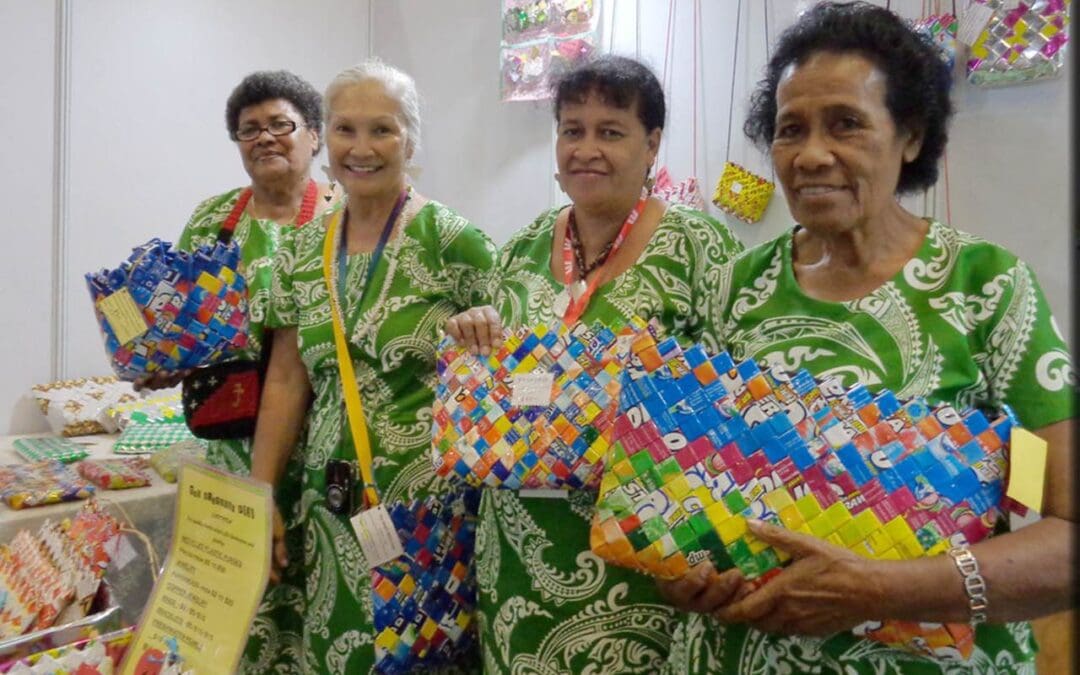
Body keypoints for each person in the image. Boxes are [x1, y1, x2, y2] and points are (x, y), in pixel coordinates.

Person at [659, 3, 1076, 673]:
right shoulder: (729, 290)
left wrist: (876, 589)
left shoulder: (987, 289)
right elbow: (682, 488)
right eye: (790, 129)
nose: (812, 153)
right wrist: (680, 568)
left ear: (910, 135)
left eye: (846, 124)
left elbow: (1065, 536)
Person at [446, 54, 744, 674]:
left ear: (651, 143)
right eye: (571, 129)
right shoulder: (523, 246)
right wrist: (474, 340)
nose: (586, 149)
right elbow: (501, 376)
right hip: (516, 542)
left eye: (610, 131)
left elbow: (729, 406)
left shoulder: (700, 247)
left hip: (636, 550)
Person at [249, 57, 497, 673]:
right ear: (323, 138)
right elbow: (286, 378)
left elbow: (507, 352)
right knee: (338, 652)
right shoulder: (304, 248)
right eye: (345, 129)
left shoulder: (453, 240)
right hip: (327, 504)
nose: (361, 148)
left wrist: (485, 330)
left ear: (410, 140)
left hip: (425, 508)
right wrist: (261, 492)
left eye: (381, 130)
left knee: (417, 658)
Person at [135, 70, 337, 673]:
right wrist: (163, 359)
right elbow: (182, 319)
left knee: (314, 597)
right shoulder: (213, 219)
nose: (265, 138)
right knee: (234, 602)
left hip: (322, 444)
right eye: (249, 130)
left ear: (315, 137)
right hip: (228, 442)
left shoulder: (343, 217)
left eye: (281, 124)